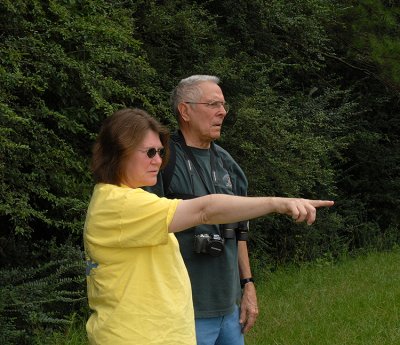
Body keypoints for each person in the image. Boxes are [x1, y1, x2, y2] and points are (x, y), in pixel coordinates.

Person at [83, 107, 334, 345]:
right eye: (149, 152)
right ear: (118, 152)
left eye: (160, 152)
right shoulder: (120, 204)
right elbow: (206, 210)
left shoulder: (128, 201)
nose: (158, 161)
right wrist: (278, 203)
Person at [147, 75, 257, 345]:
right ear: (185, 111)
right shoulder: (162, 161)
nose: (222, 112)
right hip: (184, 310)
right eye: (212, 104)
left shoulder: (227, 164)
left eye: (223, 105)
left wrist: (248, 285)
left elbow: (239, 230)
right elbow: (146, 226)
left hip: (229, 309)